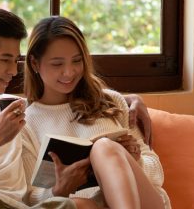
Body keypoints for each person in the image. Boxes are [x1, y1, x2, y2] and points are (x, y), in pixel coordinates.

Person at [0, 9, 151, 209]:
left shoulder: (13, 108)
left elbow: (61, 103)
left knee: (78, 206)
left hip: (10, 206)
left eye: (15, 61)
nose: (13, 71)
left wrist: (129, 100)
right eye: (5, 60)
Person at [21, 16, 170, 209]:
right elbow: (28, 199)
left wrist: (135, 160)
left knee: (104, 148)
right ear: (34, 63)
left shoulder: (111, 101)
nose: (69, 72)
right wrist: (59, 189)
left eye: (77, 61)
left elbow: (157, 173)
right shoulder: (26, 123)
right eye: (57, 64)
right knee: (77, 204)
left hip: (144, 204)